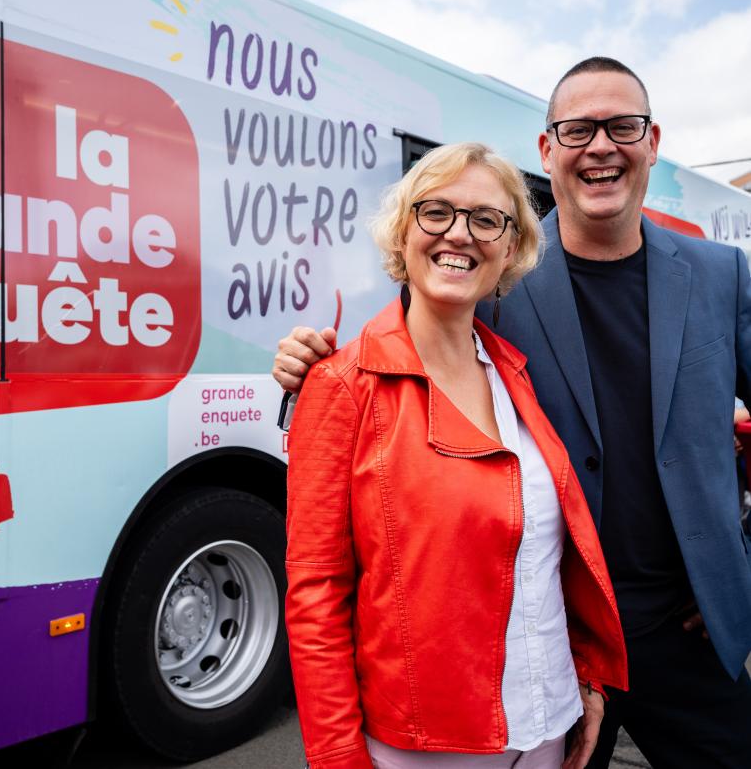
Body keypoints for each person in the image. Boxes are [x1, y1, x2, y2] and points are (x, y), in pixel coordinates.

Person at [274, 58, 751, 768]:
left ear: (652, 142)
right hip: (552, 632)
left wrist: (741, 560)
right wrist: (306, 371)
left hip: (687, 629)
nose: (600, 147)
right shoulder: (499, 276)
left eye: (622, 127)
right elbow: (412, 346)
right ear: (548, 149)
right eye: (578, 129)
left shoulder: (722, 273)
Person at [285, 142, 627, 769]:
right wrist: (337, 758)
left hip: (550, 721)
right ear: (403, 231)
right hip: (430, 746)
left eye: (487, 219)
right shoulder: (342, 385)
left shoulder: (516, 372)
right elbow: (315, 595)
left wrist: (586, 674)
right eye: (436, 211)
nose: (459, 235)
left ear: (510, 248)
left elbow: (546, 558)